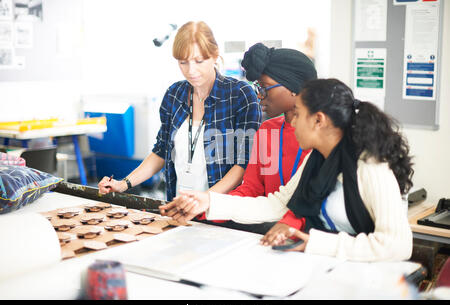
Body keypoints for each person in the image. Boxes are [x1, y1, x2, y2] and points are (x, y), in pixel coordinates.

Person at [160, 78, 415, 262]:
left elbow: (398, 246)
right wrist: (208, 201)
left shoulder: (371, 167)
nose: (292, 122)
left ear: (318, 120)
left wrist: (316, 243)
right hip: (332, 269)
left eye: (298, 114)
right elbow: (278, 204)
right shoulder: (317, 160)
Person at [98, 21, 261, 200]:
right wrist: (123, 184)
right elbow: (161, 151)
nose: (191, 71)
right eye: (183, 62)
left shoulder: (239, 95)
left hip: (222, 210)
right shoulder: (175, 94)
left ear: (215, 56)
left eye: (199, 61)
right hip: (179, 205)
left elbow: (243, 164)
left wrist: (205, 199)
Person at [193, 42, 317, 234]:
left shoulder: (321, 136)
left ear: (293, 87)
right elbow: (251, 189)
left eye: (264, 87)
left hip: (308, 237)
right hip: (265, 231)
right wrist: (205, 207)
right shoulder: (268, 130)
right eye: (257, 87)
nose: (259, 96)